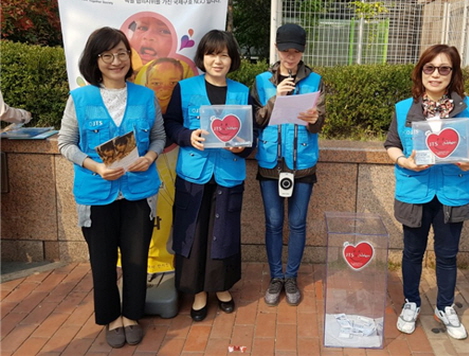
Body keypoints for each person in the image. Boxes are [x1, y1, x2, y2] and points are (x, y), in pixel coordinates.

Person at [57, 27, 166, 348]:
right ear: (95, 60)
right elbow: (66, 143)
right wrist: (95, 166)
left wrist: (149, 156)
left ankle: (131, 314)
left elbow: (159, 136)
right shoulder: (80, 98)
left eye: (121, 53)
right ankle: (110, 318)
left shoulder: (145, 97)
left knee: (136, 259)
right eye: (107, 55)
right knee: (102, 261)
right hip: (95, 194)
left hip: (139, 191)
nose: (116, 61)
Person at [384, 44, 469, 340]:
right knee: (412, 253)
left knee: (447, 255)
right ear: (421, 71)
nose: (436, 74)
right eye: (430, 68)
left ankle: (444, 305)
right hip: (415, 190)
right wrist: (404, 161)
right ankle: (411, 302)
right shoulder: (405, 108)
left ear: (453, 73)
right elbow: (391, 144)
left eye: (444, 68)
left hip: (452, 191)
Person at [163, 30, 255, 322]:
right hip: (193, 173)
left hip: (228, 173)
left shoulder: (242, 92)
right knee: (194, 233)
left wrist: (242, 148)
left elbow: (252, 137)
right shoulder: (185, 88)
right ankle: (199, 292)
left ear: (232, 59)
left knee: (224, 233)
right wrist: (188, 136)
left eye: (224, 54)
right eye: (212, 54)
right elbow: (170, 124)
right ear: (202, 58)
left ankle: (222, 288)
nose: (218, 60)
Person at [251, 24, 326, 306]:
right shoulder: (261, 80)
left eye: (296, 52)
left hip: (302, 163)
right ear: (277, 49)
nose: (291, 57)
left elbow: (320, 123)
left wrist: (313, 118)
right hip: (270, 161)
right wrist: (276, 98)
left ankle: (291, 277)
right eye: (285, 51)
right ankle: (276, 276)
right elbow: (255, 120)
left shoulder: (315, 80)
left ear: (303, 51)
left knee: (296, 223)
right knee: (273, 222)